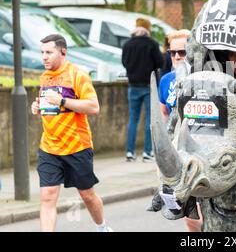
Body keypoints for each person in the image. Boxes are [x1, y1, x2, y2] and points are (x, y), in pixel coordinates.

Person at [31, 34, 112, 232]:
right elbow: (49, 107)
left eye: (49, 52)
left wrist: (62, 101)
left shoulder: (78, 75)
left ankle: (101, 227)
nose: (44, 57)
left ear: (63, 52)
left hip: (77, 146)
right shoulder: (45, 77)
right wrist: (37, 106)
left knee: (87, 195)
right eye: (42, 53)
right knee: (48, 195)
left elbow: (93, 107)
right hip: (49, 147)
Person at [122, 21, 163, 162]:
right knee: (149, 120)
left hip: (133, 85)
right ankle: (147, 152)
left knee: (133, 119)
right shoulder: (151, 43)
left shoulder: (127, 44)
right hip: (148, 85)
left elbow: (124, 62)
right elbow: (160, 62)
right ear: (147, 29)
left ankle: (130, 152)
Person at [158, 29, 190, 121]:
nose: (177, 57)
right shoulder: (165, 80)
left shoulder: (203, 78)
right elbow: (164, 113)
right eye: (172, 53)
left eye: (182, 52)